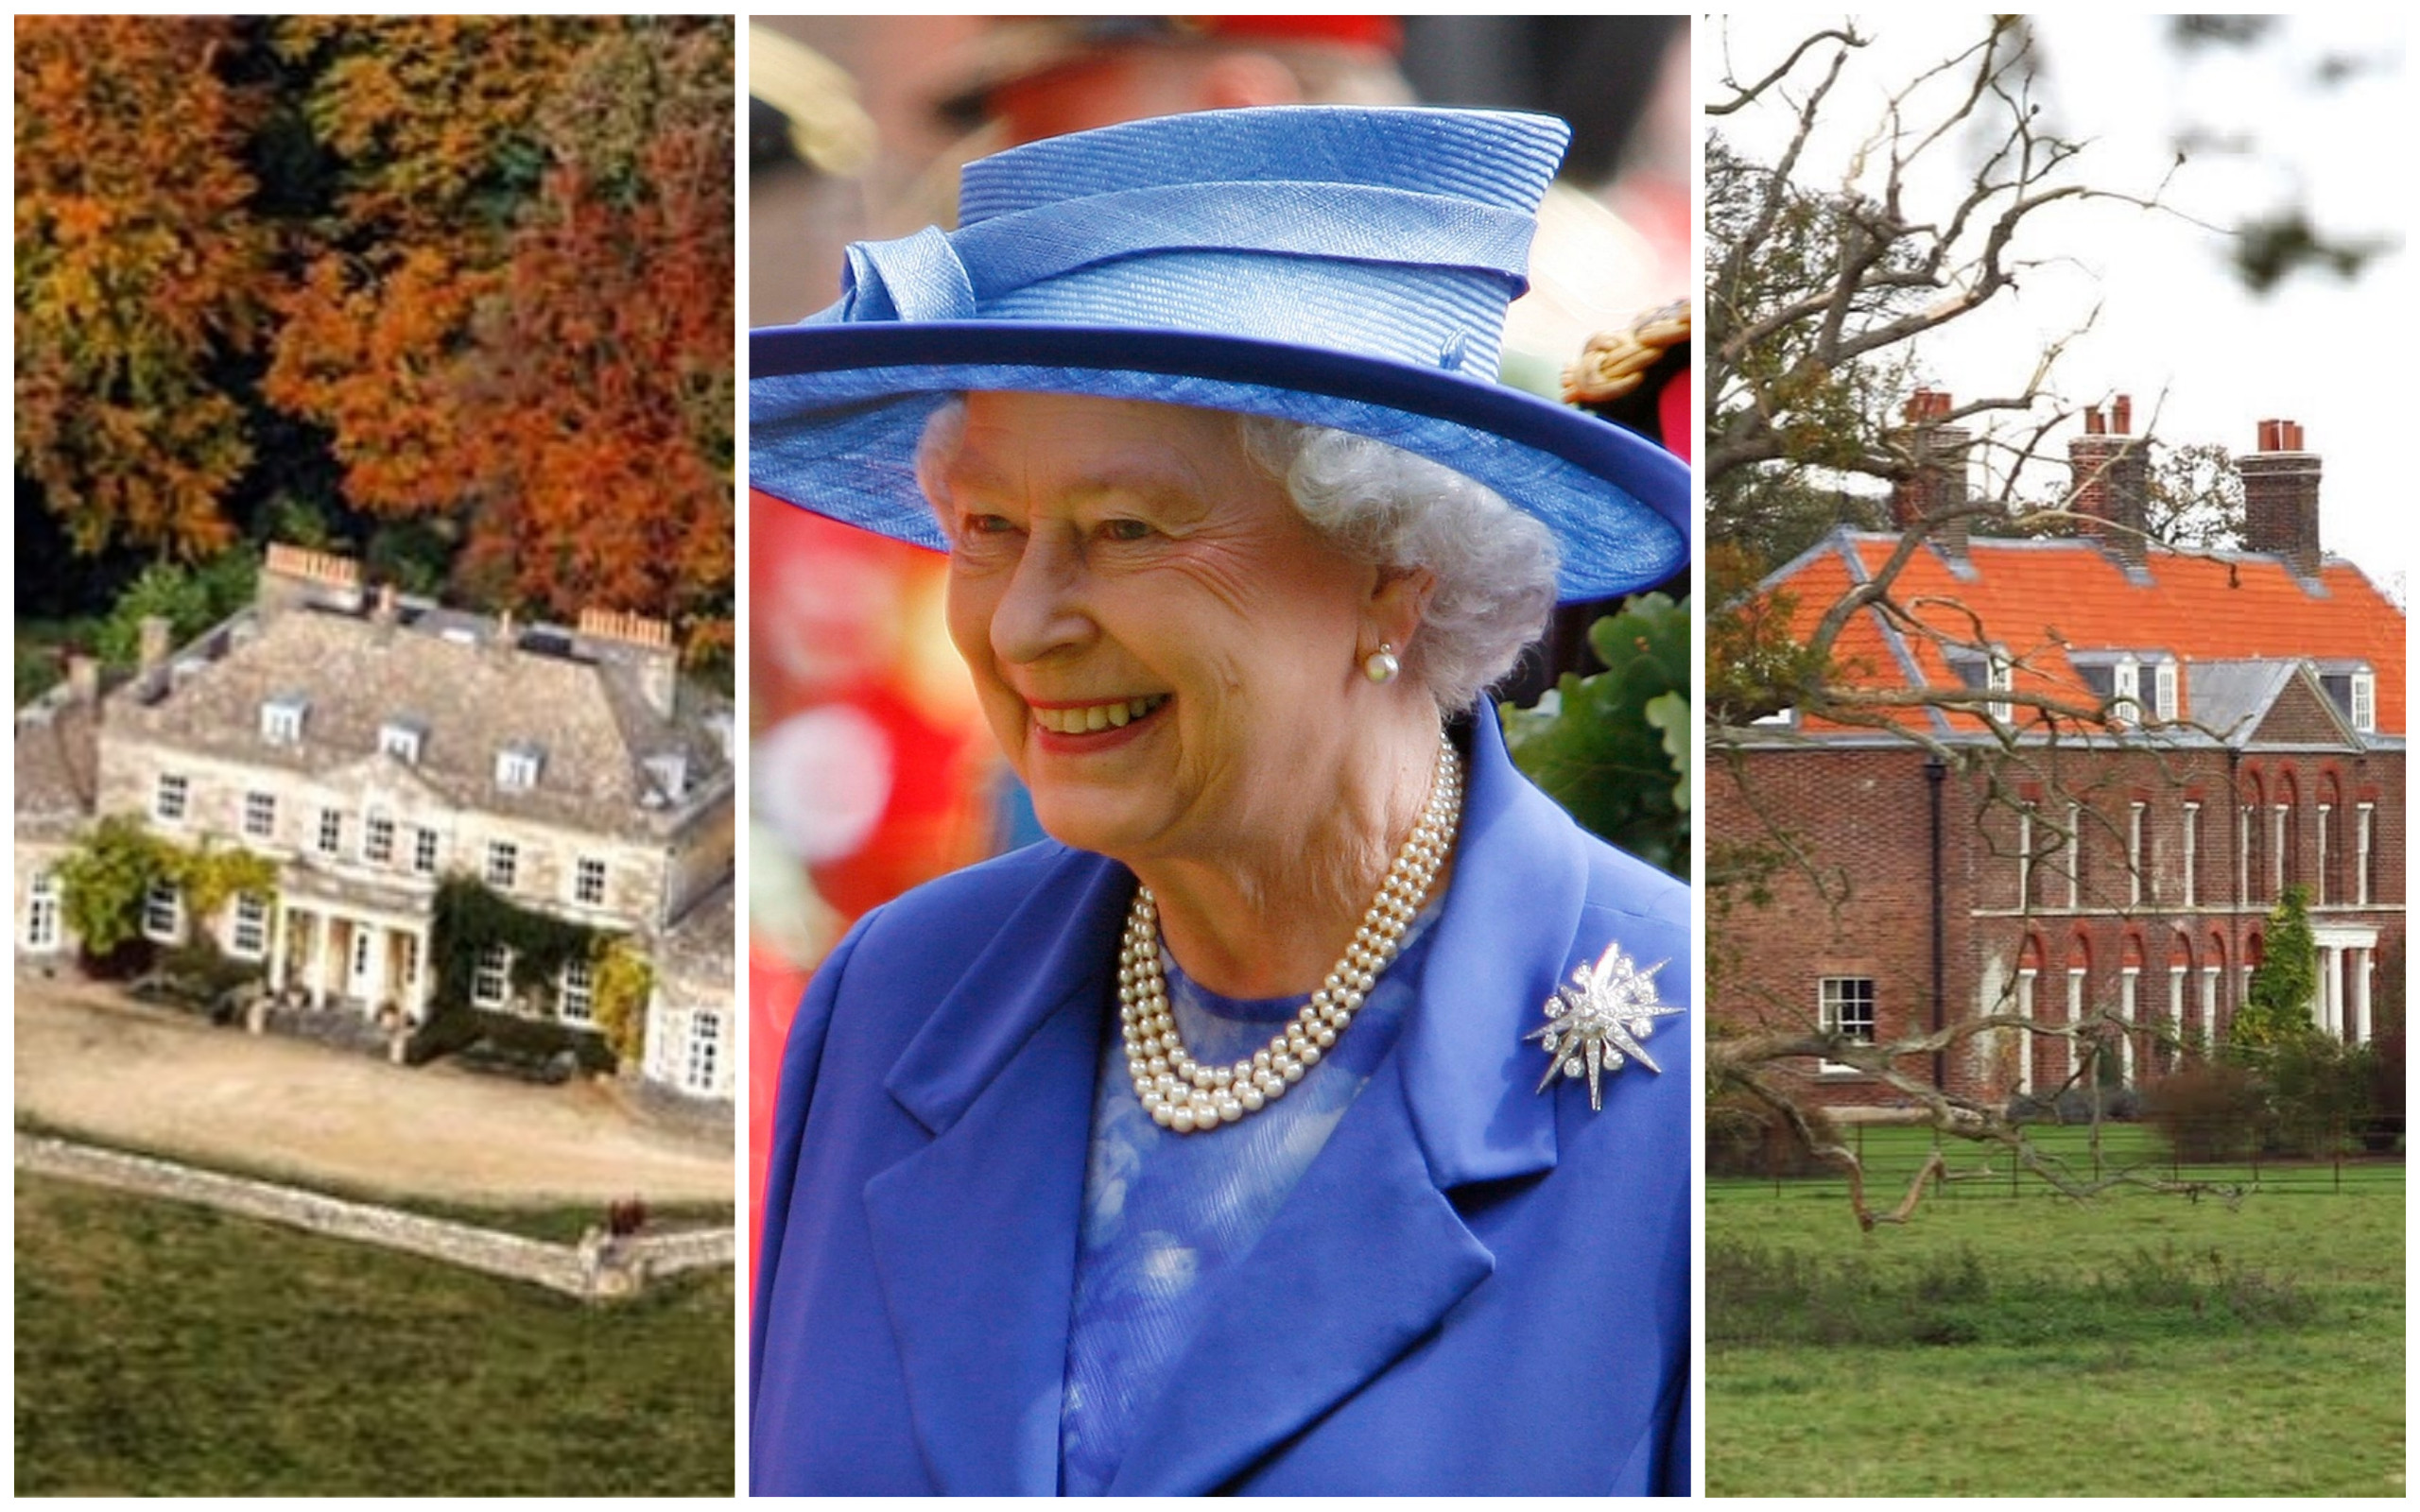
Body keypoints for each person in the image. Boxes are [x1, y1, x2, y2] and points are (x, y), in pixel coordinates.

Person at [751, 105, 1691, 1495]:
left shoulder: (1681, 1092)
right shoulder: (896, 994)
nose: (1022, 628)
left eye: (1126, 532)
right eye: (989, 533)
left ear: (1393, 567)